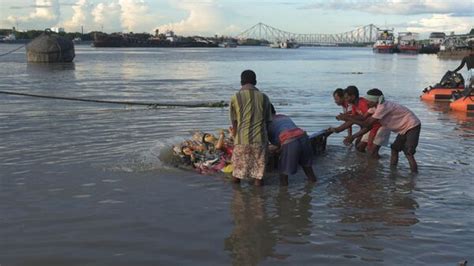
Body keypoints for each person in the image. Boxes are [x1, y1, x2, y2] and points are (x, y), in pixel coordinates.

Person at [338, 88, 421, 172]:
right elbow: (363, 118)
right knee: (395, 148)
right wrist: (348, 117)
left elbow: (367, 124)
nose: (366, 102)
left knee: (408, 153)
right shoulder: (374, 107)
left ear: (374, 101)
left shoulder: (382, 107)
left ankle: (413, 177)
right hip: (403, 129)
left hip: (412, 126)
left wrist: (348, 119)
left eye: (368, 101)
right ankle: (392, 172)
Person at [229, 70, 273, 186]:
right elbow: (268, 121)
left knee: (236, 173)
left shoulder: (235, 98)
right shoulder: (264, 97)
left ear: (241, 82)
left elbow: (234, 122)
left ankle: (236, 198)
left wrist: (235, 137)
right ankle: (259, 200)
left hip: (241, 140)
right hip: (260, 140)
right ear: (255, 82)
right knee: (258, 175)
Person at [329, 86, 390, 158]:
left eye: (346, 97)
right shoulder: (354, 106)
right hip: (370, 126)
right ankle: (370, 164)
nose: (345, 100)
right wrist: (339, 129)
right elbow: (352, 121)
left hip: (380, 126)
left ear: (353, 96)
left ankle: (375, 165)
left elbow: (366, 122)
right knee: (360, 147)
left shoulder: (363, 103)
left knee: (371, 151)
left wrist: (350, 134)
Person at [267, 104, 317, 186]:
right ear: (274, 111)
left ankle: (284, 194)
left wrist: (276, 149)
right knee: (308, 168)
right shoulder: (284, 116)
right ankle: (312, 184)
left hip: (290, 141)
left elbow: (273, 142)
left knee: (283, 173)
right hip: (303, 137)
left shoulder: (266, 122)